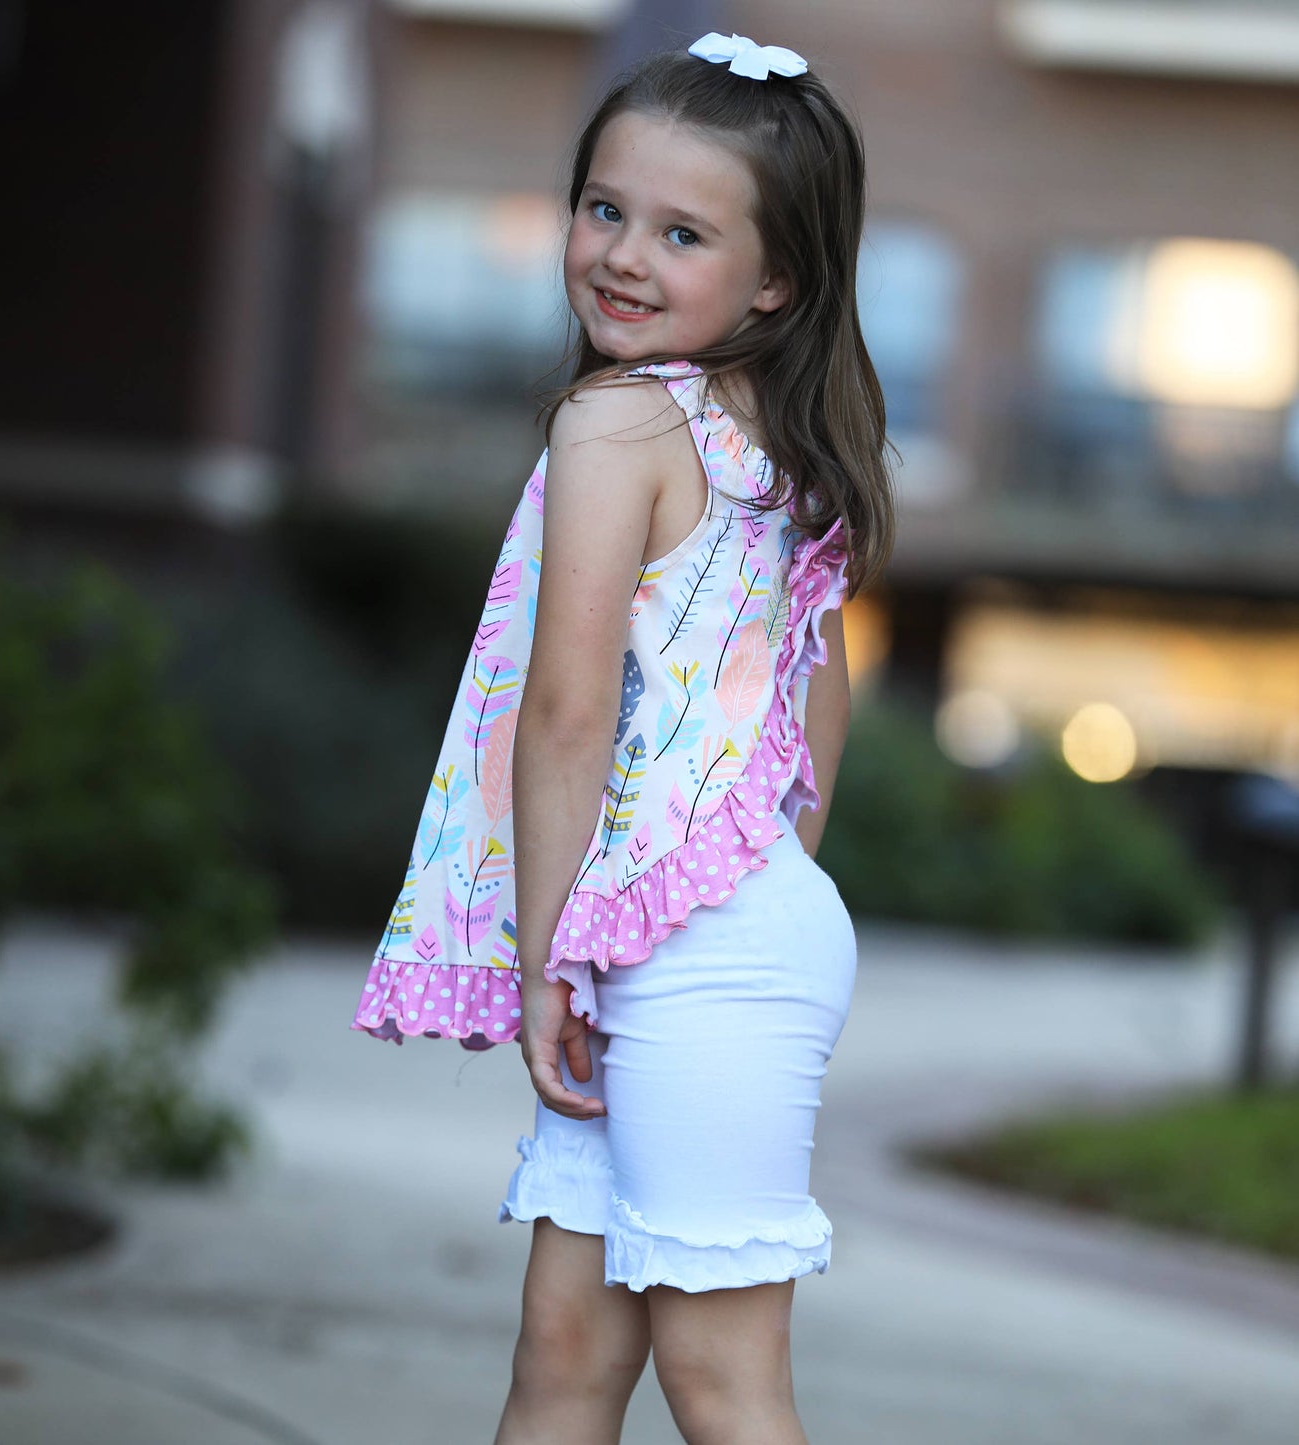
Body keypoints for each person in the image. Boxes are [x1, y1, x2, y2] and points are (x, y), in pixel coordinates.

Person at [352, 30, 896, 1445]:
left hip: (683, 952)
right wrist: (757, 870)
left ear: (773, 282)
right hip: (706, 926)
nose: (623, 256)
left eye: (681, 232)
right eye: (603, 210)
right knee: (563, 1361)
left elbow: (568, 706)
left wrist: (549, 959)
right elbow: (812, 693)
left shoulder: (613, 427)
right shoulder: (762, 439)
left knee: (723, 1383)